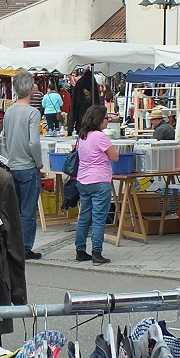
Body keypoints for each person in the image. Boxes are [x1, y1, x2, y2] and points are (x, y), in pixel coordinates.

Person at [3, 71, 43, 260]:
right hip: (28, 166)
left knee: (15, 210)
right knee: (28, 210)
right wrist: (39, 162)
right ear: (31, 89)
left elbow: (3, 138)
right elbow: (34, 142)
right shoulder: (33, 113)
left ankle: (14, 244)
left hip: (12, 165)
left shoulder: (9, 111)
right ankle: (25, 247)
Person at [74, 104, 117, 265]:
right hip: (99, 180)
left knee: (84, 216)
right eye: (107, 118)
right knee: (99, 218)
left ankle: (80, 250)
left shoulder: (82, 135)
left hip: (83, 180)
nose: (108, 121)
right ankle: (97, 253)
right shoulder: (100, 137)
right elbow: (115, 156)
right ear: (99, 119)